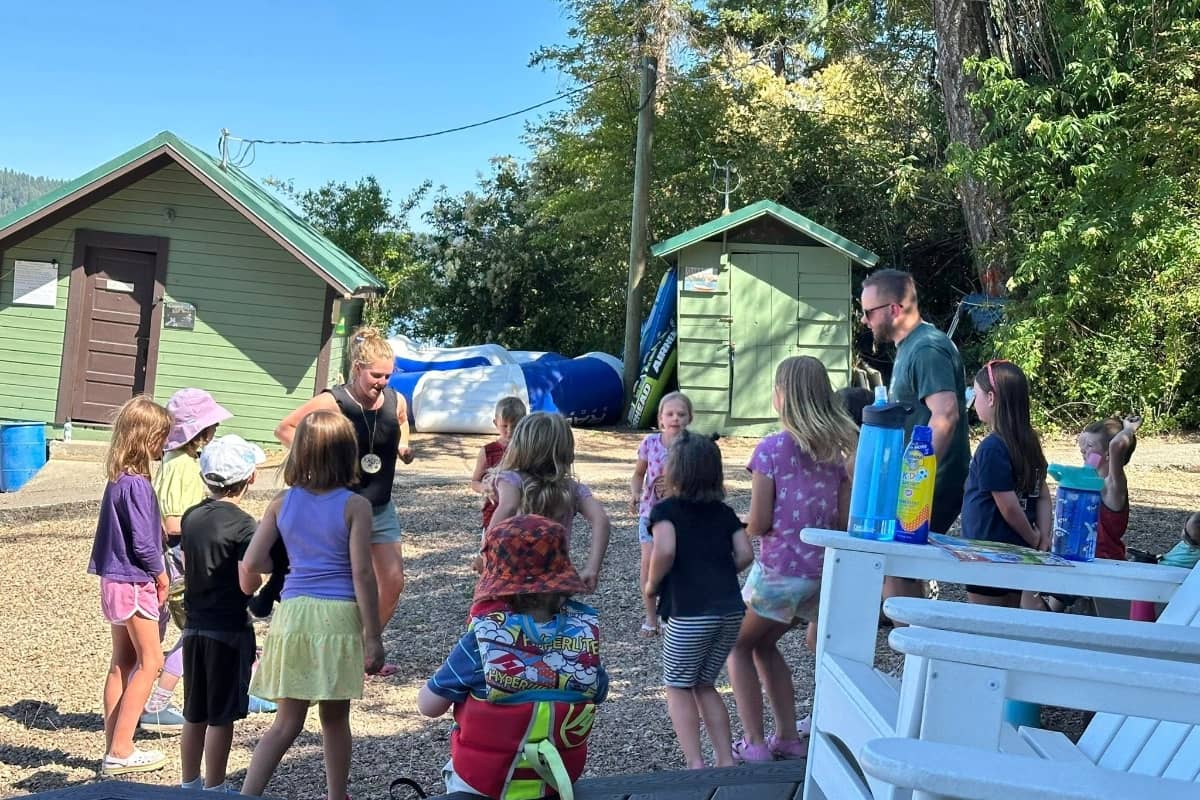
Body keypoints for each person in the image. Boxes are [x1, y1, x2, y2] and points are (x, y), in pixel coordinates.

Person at [239, 410, 385, 800]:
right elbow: (363, 574)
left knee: (286, 723)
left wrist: (280, 563)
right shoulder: (356, 506)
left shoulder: (282, 503)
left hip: (294, 613)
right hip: (337, 615)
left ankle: (246, 794)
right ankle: (337, 796)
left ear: (300, 452)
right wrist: (374, 636)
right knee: (335, 719)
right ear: (347, 454)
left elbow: (253, 562)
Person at [418, 514, 608, 799]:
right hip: (554, 781)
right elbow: (599, 691)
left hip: (483, 783)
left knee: (454, 770)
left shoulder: (482, 642)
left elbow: (429, 706)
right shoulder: (582, 639)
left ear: (500, 590)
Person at [727, 357, 856, 762]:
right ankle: (787, 736)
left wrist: (738, 528)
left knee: (736, 646)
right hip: (821, 575)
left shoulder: (769, 450)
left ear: (783, 396)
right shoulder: (840, 453)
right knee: (764, 646)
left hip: (781, 573)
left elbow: (761, 520)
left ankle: (754, 742)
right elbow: (842, 518)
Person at [275, 325, 410, 675]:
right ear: (357, 368)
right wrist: (312, 462)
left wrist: (405, 445)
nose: (382, 381)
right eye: (375, 375)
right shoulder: (332, 402)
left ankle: (366, 647)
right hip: (342, 505)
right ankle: (335, 652)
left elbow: (402, 423)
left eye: (387, 375)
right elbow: (286, 428)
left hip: (379, 506)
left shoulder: (396, 400)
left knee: (393, 580)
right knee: (346, 582)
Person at [859, 269, 970, 604]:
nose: (864, 321)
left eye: (868, 312)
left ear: (894, 309)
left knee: (897, 568)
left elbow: (945, 414)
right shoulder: (912, 346)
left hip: (927, 485)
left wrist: (914, 479)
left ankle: (915, 646)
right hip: (916, 483)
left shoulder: (927, 349)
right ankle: (909, 642)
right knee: (896, 570)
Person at [644, 433, 753, 769]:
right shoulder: (723, 513)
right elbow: (746, 553)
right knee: (705, 684)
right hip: (730, 611)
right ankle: (725, 759)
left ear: (674, 472)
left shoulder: (665, 511)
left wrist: (652, 583)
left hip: (689, 612)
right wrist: (721, 571)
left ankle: (695, 763)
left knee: (677, 686)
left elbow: (664, 549)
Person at [88, 395, 174, 776]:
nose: (164, 445)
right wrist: (161, 574)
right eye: (161, 437)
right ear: (146, 438)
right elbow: (142, 541)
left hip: (112, 582)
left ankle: (114, 745)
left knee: (121, 664)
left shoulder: (116, 480)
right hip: (135, 581)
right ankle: (122, 749)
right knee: (151, 661)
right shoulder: (137, 485)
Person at [140, 388, 231, 732]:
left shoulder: (177, 461)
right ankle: (157, 703)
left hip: (176, 558)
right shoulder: (182, 467)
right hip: (184, 559)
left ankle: (143, 699)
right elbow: (172, 522)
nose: (214, 431)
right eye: (211, 426)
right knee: (196, 630)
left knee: (173, 630)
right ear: (198, 431)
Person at [178, 434, 265, 792]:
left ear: (205, 478)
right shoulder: (245, 525)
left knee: (193, 712)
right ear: (251, 478)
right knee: (221, 715)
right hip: (228, 628)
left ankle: (189, 784)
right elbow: (249, 582)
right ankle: (215, 788)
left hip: (194, 626)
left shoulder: (191, 516)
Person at [960, 360, 1052, 607]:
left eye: (976, 394)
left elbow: (1008, 506)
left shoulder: (992, 447)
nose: (973, 401)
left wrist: (1034, 538)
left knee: (985, 624)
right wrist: (1044, 536)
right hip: (1018, 551)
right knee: (1009, 618)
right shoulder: (1030, 442)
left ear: (991, 397)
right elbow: (1042, 494)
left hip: (988, 552)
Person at [489, 412, 610, 592]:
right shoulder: (572, 489)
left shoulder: (511, 480)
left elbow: (508, 506)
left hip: (511, 576)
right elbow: (601, 520)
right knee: (553, 619)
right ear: (566, 450)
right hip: (555, 580)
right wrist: (592, 569)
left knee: (507, 618)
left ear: (520, 446)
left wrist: (485, 553)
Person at [630, 391, 693, 637]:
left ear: (690, 417)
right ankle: (650, 615)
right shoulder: (650, 443)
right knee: (648, 563)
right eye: (670, 413)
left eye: (681, 413)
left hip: (682, 516)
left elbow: (704, 481)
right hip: (650, 513)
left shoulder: (693, 446)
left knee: (676, 564)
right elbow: (638, 474)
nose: (675, 418)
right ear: (661, 418)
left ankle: (670, 612)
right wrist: (635, 493)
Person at [469, 396, 528, 534]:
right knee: (491, 550)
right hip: (494, 512)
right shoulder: (488, 451)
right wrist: (485, 488)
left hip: (524, 513)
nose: (510, 431)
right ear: (496, 423)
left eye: (515, 426)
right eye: (505, 426)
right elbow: (474, 482)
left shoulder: (529, 449)